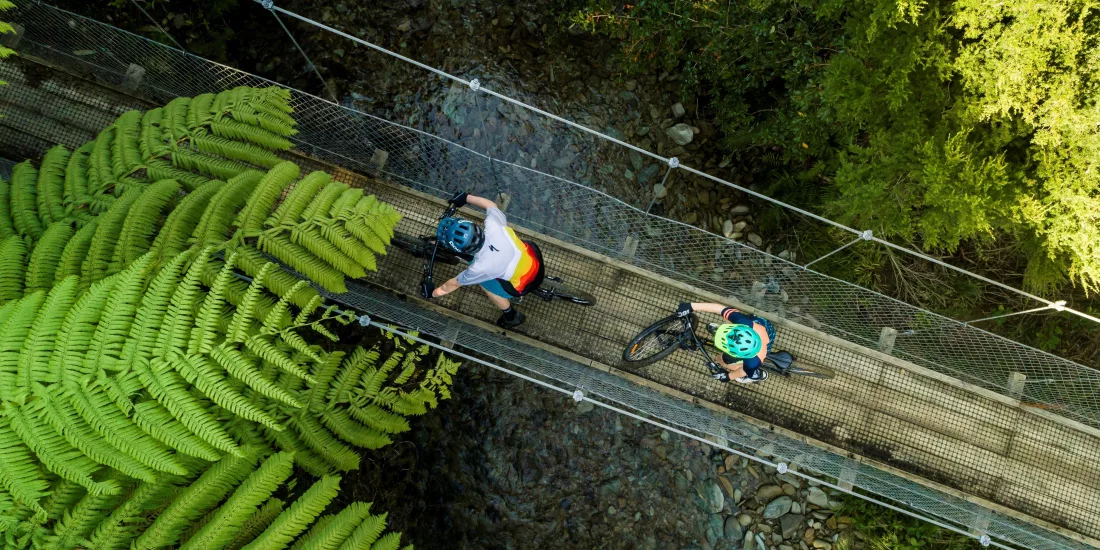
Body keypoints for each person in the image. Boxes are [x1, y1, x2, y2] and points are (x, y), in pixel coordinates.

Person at [426, 191, 544, 329]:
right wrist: (465, 197)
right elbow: (490, 204)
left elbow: (454, 284)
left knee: (483, 281)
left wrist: (432, 293)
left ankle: (511, 316)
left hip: (524, 284)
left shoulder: (480, 268)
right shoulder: (494, 225)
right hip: (534, 258)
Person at [676, 301, 775, 384]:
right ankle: (723, 332)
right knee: (730, 314)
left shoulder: (753, 361)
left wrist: (729, 376)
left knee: (722, 360)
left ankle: (752, 376)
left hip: (765, 339)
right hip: (759, 325)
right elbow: (720, 309)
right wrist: (691, 306)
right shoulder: (743, 322)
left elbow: (742, 371)